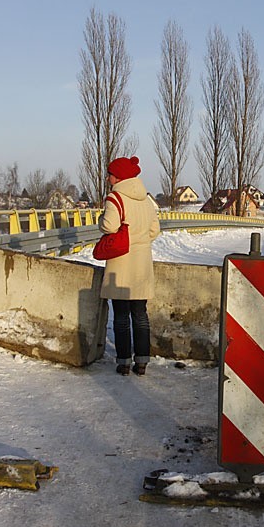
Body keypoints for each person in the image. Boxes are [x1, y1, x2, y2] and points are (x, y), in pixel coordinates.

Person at [98, 156, 161, 376]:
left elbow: (109, 225)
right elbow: (154, 230)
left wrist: (100, 220)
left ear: (119, 176)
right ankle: (142, 361)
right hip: (142, 262)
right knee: (140, 314)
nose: (108, 177)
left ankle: (124, 362)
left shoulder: (115, 198)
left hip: (121, 263)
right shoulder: (146, 200)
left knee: (122, 316)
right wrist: (140, 240)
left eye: (110, 174)